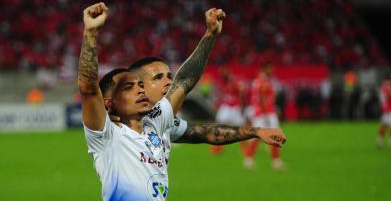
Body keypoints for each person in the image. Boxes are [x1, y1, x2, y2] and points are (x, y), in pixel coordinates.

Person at [78, 2, 226, 201]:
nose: (139, 89)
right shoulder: (106, 135)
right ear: (110, 103)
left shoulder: (155, 123)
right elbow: (87, 88)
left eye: (139, 85)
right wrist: (91, 33)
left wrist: (210, 35)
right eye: (128, 87)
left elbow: (185, 81)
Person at [106, 57, 286, 148]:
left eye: (169, 76)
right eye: (158, 78)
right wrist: (90, 34)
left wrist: (257, 131)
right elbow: (89, 91)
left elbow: (207, 132)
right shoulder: (109, 128)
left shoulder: (160, 121)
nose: (169, 83)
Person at [244, 62, 285, 169]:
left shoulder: (258, 81)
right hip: (265, 113)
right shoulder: (263, 82)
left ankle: (251, 159)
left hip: (260, 112)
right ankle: (250, 159)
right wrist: (266, 114)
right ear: (265, 69)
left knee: (261, 136)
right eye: (270, 69)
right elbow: (262, 99)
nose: (272, 71)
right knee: (268, 135)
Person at [376, 72, 391, 148]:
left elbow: (382, 98)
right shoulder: (388, 86)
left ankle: (380, 140)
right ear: (390, 78)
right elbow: (390, 96)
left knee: (384, 124)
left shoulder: (383, 86)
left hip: (386, 108)